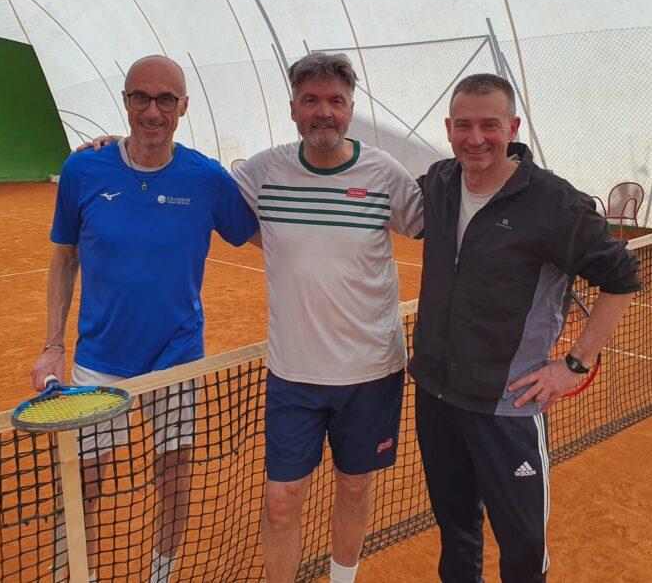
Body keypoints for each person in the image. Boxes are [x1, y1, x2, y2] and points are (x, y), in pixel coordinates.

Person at [31, 55, 259, 582]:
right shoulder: (83, 169)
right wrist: (52, 345)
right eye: (141, 97)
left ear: (183, 107)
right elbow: (64, 257)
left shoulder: (206, 178)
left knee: (174, 478)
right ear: (125, 101)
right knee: (82, 483)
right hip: (98, 361)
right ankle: (77, 576)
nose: (152, 111)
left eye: (165, 100)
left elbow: (263, 236)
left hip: (177, 360)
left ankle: (161, 574)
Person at [409, 73, 642, 582]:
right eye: (463, 125)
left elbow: (622, 277)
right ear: (448, 129)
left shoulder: (554, 203)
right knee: (456, 532)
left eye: (489, 125)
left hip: (507, 405)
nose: (475, 138)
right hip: (436, 396)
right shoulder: (440, 183)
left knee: (521, 548)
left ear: (513, 128)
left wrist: (574, 364)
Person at [230, 53, 424, 583]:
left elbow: (440, 220)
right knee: (282, 498)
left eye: (335, 101)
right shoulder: (263, 171)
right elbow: (204, 193)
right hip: (294, 375)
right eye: (311, 100)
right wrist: (117, 149)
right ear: (293, 108)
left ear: (350, 109)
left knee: (355, 486)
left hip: (372, 372)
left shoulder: (383, 173)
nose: (324, 111)